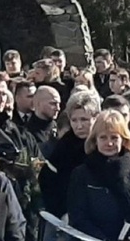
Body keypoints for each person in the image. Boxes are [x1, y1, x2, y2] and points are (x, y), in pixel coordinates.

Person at [66, 110, 130, 241]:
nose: (109, 143)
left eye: (114, 138)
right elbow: (78, 217)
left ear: (124, 140)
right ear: (95, 140)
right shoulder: (82, 174)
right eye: (103, 137)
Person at [40, 89, 99, 217]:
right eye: (74, 120)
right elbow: (47, 180)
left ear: (96, 117)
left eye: (84, 120)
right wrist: (61, 211)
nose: (79, 126)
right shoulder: (65, 146)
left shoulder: (105, 142)